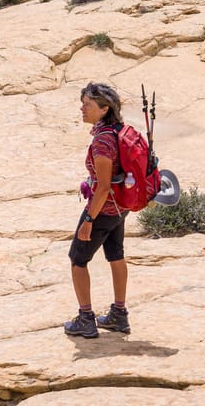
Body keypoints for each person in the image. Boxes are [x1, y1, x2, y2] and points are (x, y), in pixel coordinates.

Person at [64, 82, 131, 339]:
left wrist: (89, 219)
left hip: (104, 207)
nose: (82, 108)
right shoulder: (117, 130)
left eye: (87, 104)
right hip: (121, 205)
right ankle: (119, 314)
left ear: (104, 109)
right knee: (115, 254)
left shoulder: (103, 142)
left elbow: (102, 187)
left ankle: (86, 319)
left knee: (78, 259)